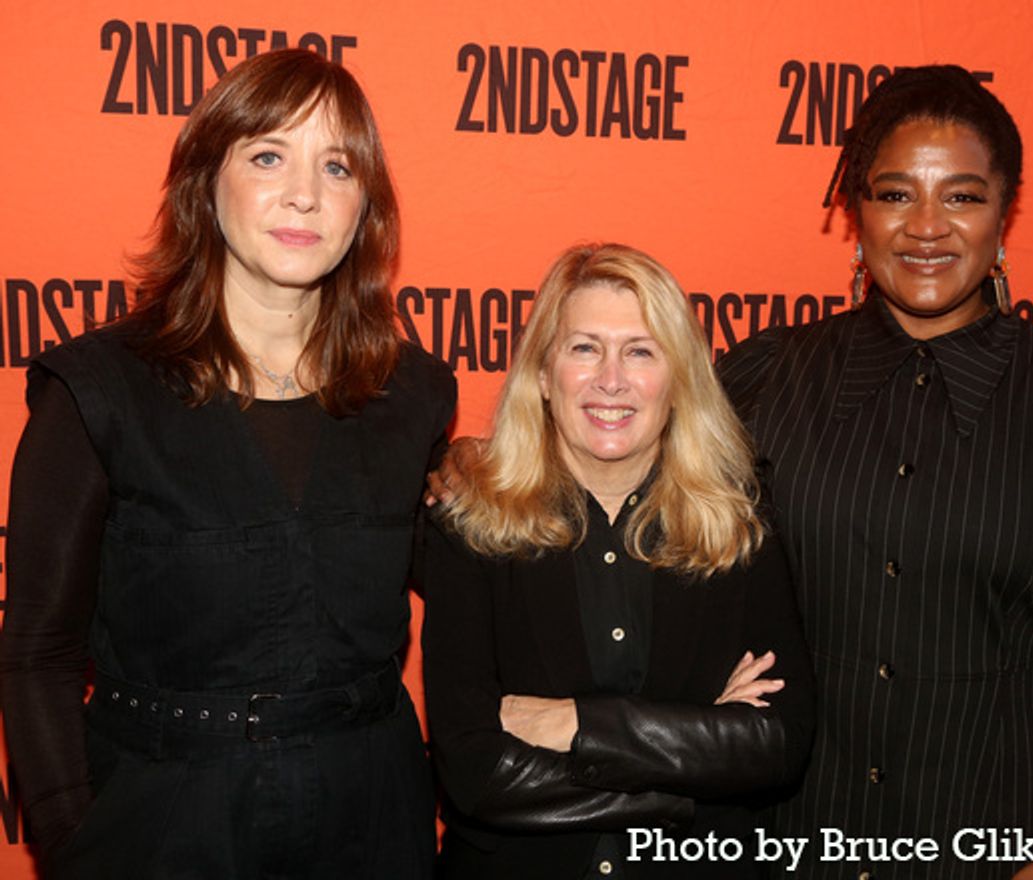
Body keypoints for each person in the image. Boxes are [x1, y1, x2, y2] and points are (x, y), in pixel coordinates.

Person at [716, 65, 1033, 878]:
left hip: (997, 845)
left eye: (963, 197)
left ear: (1004, 214)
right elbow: (644, 526)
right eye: (896, 194)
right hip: (789, 838)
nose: (927, 228)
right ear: (855, 212)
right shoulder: (767, 378)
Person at [0, 49, 453, 879]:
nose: (305, 195)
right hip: (160, 820)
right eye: (269, 156)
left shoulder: (415, 395)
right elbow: (38, 652)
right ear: (205, 183)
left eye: (338, 166)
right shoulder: (98, 392)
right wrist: (75, 843)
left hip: (373, 818)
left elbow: (478, 593)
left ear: (367, 208)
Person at [421, 243, 816, 879]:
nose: (612, 379)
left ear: (679, 378)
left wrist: (576, 723)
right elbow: (474, 771)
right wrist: (693, 762)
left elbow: (776, 745)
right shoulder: (471, 522)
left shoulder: (736, 521)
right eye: (584, 348)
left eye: (640, 350)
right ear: (544, 376)